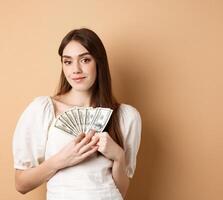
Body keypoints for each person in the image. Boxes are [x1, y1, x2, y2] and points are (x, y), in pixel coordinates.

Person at [12, 28, 142, 200]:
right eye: (68, 62)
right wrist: (63, 159)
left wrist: (118, 156)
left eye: (85, 60)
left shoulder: (126, 116)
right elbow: (21, 184)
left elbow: (122, 192)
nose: (76, 70)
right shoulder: (43, 109)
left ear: (99, 62)